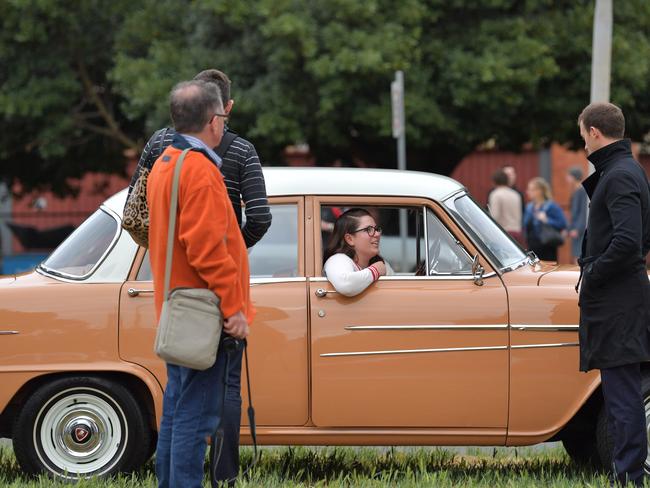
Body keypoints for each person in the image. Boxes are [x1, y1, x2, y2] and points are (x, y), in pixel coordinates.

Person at [128, 69, 268, 483]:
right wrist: (235, 309)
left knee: (175, 411)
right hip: (204, 312)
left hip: (177, 307)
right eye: (222, 120)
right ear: (214, 120)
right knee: (196, 417)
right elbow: (209, 252)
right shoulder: (201, 170)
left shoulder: (164, 164)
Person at [577, 102, 650, 487]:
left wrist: (592, 273)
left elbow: (628, 241)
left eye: (583, 137)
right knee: (621, 394)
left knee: (622, 398)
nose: (584, 147)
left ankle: (629, 478)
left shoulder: (619, 175)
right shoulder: (627, 170)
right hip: (621, 297)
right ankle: (629, 475)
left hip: (617, 301)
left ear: (594, 132)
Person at [128, 69, 272, 249]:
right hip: (219, 263)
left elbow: (132, 208)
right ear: (228, 107)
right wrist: (235, 249)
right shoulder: (243, 151)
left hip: (165, 264)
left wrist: (162, 248)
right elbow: (260, 218)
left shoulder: (158, 142)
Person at [323, 208, 393, 296]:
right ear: (350, 239)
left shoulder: (380, 263)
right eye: (369, 230)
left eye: (377, 229)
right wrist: (375, 271)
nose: (377, 234)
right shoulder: (337, 260)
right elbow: (345, 285)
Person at [523, 177, 567, 261]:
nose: (528, 192)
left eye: (531, 189)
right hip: (532, 247)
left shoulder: (551, 206)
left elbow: (562, 223)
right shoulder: (529, 207)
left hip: (547, 246)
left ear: (540, 191)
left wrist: (547, 220)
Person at [488, 168, 523, 244]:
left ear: (494, 181)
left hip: (504, 233)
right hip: (517, 232)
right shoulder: (516, 194)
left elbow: (495, 216)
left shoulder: (496, 194)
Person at [565, 166, 588, 264]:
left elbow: (583, 211)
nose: (567, 178)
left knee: (578, 257)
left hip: (579, 231)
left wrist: (578, 229)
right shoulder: (576, 191)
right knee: (575, 256)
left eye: (569, 176)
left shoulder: (581, 190)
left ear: (574, 177)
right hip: (575, 229)